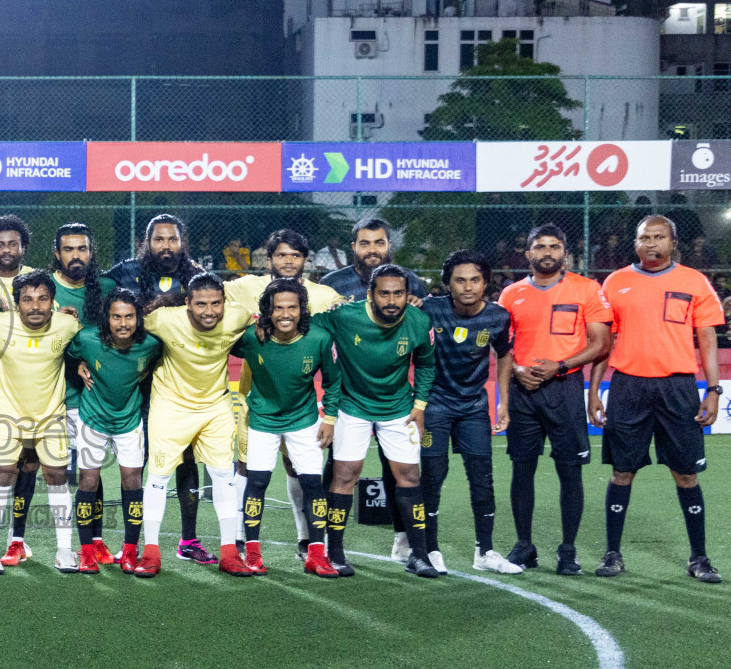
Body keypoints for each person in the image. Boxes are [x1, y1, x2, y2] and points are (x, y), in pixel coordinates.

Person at [589, 216, 724, 583]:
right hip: (628, 386)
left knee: (686, 473)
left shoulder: (694, 281)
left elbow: (707, 340)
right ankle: (613, 554)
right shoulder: (616, 282)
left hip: (678, 388)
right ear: (635, 243)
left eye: (659, 237)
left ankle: (699, 557)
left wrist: (712, 390)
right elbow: (604, 344)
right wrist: (595, 392)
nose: (651, 243)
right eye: (644, 237)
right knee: (622, 471)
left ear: (673, 241)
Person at [224, 229, 348, 559]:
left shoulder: (323, 294)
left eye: (295, 255)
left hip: (299, 403)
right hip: (255, 397)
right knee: (246, 467)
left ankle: (306, 537)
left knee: (297, 469)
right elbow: (208, 300)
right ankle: (240, 538)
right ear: (270, 259)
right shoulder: (245, 286)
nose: (288, 260)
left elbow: (346, 322)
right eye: (281, 254)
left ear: (305, 260)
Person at [496, 224, 612, 575]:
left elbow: (601, 343)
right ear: (528, 253)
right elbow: (503, 349)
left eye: (555, 246)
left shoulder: (587, 289)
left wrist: (560, 366)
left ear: (565, 252)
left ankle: (567, 550)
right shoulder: (510, 294)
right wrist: (516, 369)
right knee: (522, 469)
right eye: (540, 246)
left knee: (570, 471)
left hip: (564, 389)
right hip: (523, 391)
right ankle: (524, 546)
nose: (548, 252)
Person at [317, 265, 439, 578]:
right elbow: (305, 325)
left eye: (398, 293)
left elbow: (426, 364)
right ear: (370, 294)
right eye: (383, 293)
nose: (391, 300)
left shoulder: (419, 321)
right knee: (345, 473)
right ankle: (335, 552)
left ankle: (419, 554)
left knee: (409, 475)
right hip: (351, 405)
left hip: (398, 406)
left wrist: (420, 405)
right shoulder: (345, 316)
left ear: (407, 294)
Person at [108, 214, 209, 563]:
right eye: (159, 239)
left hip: (182, 384)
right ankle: (133, 544)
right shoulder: (125, 272)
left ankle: (189, 540)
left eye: (172, 239)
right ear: (147, 242)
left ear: (182, 242)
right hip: (137, 383)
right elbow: (99, 305)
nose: (166, 246)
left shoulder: (196, 276)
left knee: (186, 460)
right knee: (139, 464)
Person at [137, 273, 251, 576]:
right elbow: (121, 328)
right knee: (158, 476)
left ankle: (229, 553)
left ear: (225, 302)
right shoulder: (163, 319)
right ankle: (150, 553)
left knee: (224, 475)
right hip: (170, 406)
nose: (209, 311)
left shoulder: (238, 317)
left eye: (216, 304)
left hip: (215, 407)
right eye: (201, 304)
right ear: (187, 303)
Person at [0, 271, 81, 574]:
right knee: (2, 476)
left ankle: (64, 550)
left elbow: (84, 344)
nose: (36, 306)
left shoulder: (67, 324)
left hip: (51, 417)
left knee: (57, 477)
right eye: (27, 300)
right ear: (16, 303)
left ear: (53, 301)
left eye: (43, 299)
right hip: (8, 415)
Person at [420, 252, 522, 574]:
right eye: (460, 280)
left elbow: (505, 356)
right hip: (435, 404)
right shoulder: (428, 309)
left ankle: (485, 552)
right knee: (432, 478)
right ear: (447, 284)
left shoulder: (498, 317)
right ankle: (431, 550)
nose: (468, 287)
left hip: (474, 407)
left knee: (482, 479)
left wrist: (502, 401)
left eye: (475, 280)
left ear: (485, 283)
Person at [68, 289, 162, 572]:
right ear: (106, 319)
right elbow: (68, 354)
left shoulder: (151, 344)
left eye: (130, 317)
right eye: (116, 317)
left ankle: (130, 550)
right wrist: (79, 365)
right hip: (92, 418)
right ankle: (86, 551)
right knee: (88, 480)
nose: (123, 323)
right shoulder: (87, 339)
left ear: (138, 319)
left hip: (129, 421)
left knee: (132, 481)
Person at [48, 223, 116, 561]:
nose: (76, 255)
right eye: (69, 249)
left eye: (82, 249)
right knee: (46, 469)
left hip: (87, 398)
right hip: (46, 395)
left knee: (91, 471)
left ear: (91, 252)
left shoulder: (105, 287)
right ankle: (31, 542)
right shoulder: (44, 289)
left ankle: (94, 540)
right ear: (57, 254)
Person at [0, 214, 43, 564]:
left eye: (13, 243)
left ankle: (17, 538)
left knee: (28, 463)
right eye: (0, 244)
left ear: (23, 247)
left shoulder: (37, 280)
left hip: (25, 386)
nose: (7, 249)